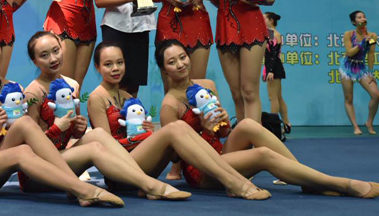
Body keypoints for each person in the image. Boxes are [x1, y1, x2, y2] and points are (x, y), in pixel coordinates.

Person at [157, 39, 379, 199]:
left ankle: (306, 179)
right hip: (203, 171)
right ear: (164, 70)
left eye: (183, 57)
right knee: (262, 155)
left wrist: (222, 121)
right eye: (172, 62)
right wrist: (205, 131)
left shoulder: (206, 85)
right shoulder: (169, 105)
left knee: (247, 124)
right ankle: (338, 183)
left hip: (220, 153)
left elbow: (224, 132)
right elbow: (176, 156)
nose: (181, 64)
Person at [0, 23, 124, 206]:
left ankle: (75, 187)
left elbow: (24, 136)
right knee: (20, 151)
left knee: (25, 130)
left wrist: (75, 129)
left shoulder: (15, 88)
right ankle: (82, 190)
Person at [88, 41, 272, 201]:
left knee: (254, 139)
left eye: (119, 62)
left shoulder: (128, 96)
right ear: (97, 67)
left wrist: (148, 133)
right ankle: (233, 182)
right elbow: (107, 148)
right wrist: (143, 140)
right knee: (175, 128)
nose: (115, 68)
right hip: (119, 172)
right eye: (108, 64)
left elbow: (222, 132)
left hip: (141, 166)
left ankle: (238, 180)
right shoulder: (97, 97)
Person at [21, 31, 190, 200]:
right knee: (97, 142)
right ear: (35, 61)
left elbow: (74, 133)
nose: (53, 59)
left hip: (64, 158)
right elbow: (33, 144)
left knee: (97, 134)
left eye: (56, 51)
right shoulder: (33, 93)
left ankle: (144, 182)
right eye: (44, 55)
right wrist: (57, 128)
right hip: (40, 168)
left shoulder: (72, 85)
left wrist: (79, 128)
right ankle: (148, 184)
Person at [339, 11, 379, 135]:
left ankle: (369, 122)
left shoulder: (372, 36)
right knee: (349, 98)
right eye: (359, 17)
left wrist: (371, 72)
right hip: (347, 67)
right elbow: (349, 53)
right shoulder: (348, 34)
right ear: (354, 22)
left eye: (364, 16)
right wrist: (362, 43)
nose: (363, 19)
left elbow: (371, 54)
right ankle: (355, 127)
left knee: (376, 95)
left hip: (361, 67)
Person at [262, 12, 292, 133]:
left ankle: (273, 126)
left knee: (273, 98)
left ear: (271, 20)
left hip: (274, 68)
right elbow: (268, 54)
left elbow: (273, 55)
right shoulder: (269, 33)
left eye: (264, 18)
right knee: (278, 98)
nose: (262, 20)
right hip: (272, 67)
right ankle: (286, 123)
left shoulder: (275, 34)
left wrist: (270, 71)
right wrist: (266, 70)